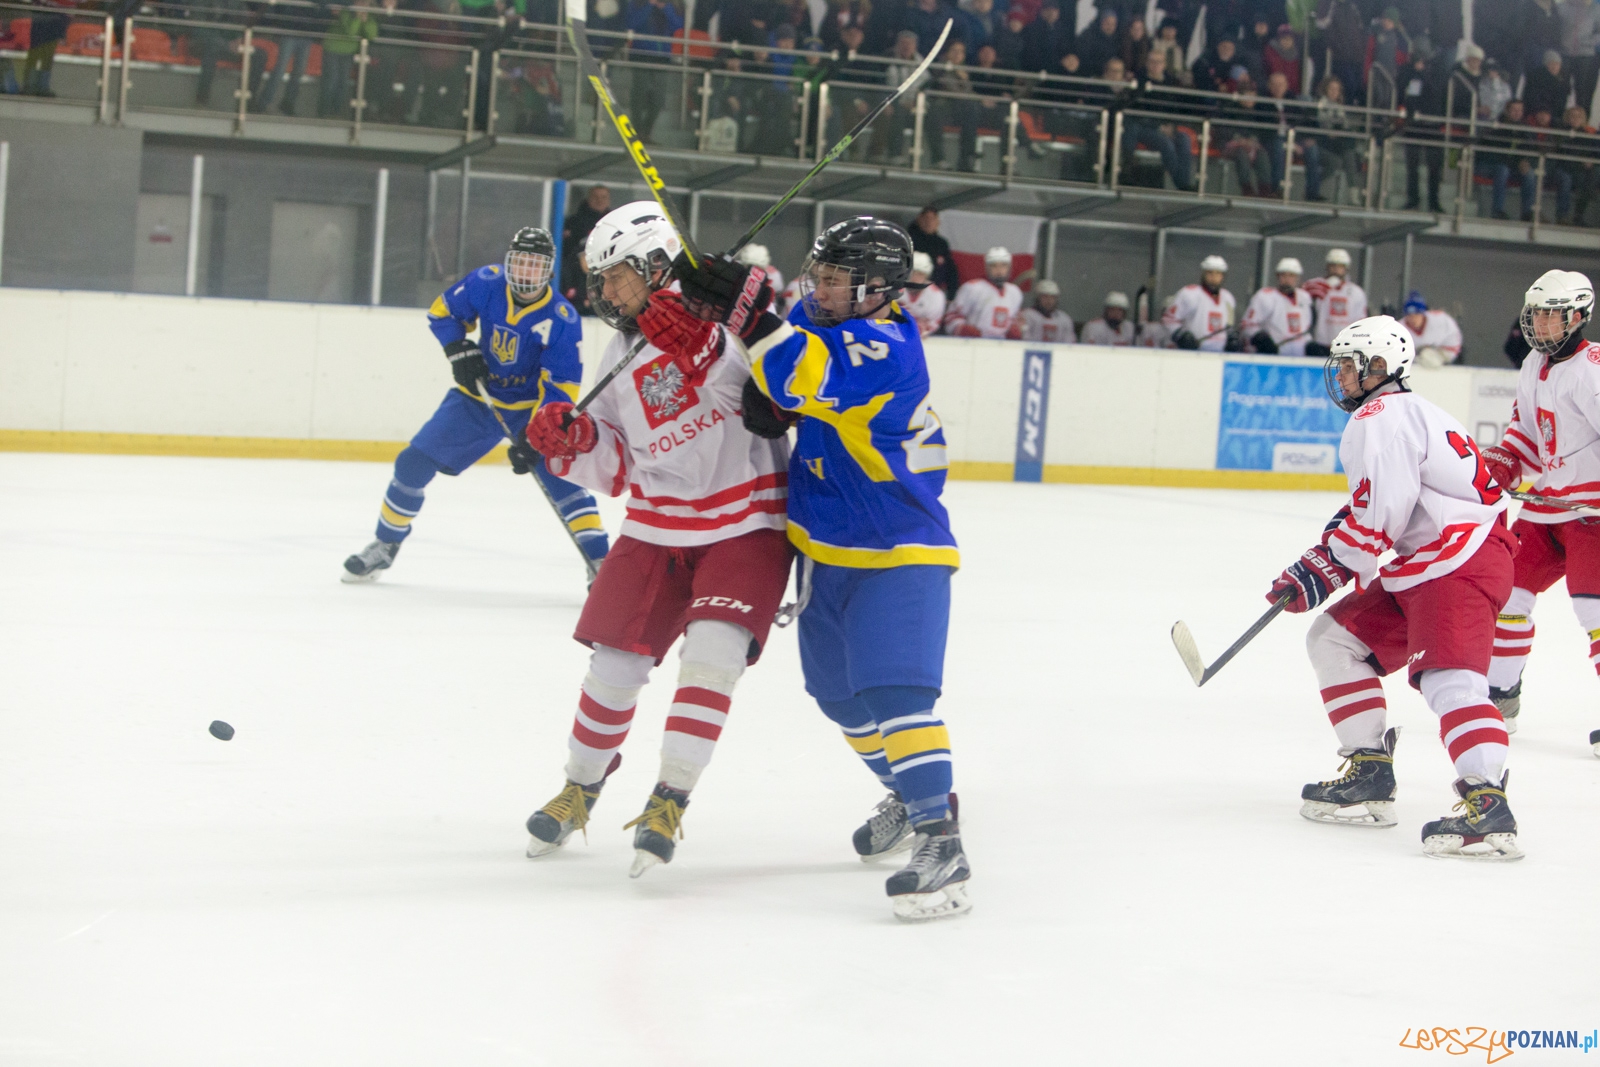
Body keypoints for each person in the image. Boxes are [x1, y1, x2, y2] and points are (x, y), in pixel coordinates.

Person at [676, 215, 971, 921]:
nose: (822, 285)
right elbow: (780, 367)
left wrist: (751, 314)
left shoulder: (890, 344)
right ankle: (911, 790)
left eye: (838, 277)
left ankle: (942, 837)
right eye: (822, 271)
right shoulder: (824, 317)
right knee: (838, 696)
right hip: (826, 549)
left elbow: (805, 372)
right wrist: (725, 309)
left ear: (878, 289)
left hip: (899, 547)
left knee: (896, 693)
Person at [519, 202, 792, 876]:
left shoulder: (726, 324)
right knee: (613, 665)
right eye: (602, 280)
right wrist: (575, 441)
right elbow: (618, 462)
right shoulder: (619, 349)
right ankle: (580, 785)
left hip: (745, 520)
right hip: (655, 523)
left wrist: (707, 346)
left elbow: (769, 403)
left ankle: (670, 796)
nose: (605, 293)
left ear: (654, 265)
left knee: (712, 657)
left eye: (616, 277)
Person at [1284, 315, 1519, 860]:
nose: (1340, 376)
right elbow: (1385, 500)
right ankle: (1369, 770)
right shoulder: (1413, 410)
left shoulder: (1379, 415)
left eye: (1349, 366)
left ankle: (1488, 805)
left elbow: (1382, 515)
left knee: (1451, 681)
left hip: (1457, 560)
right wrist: (1329, 553)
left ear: (1380, 369)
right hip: (1436, 558)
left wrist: (1331, 563)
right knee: (1335, 639)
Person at [342, 228, 610, 582]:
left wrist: (535, 434)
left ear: (548, 271)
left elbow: (560, 385)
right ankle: (385, 544)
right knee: (411, 464)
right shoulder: (486, 282)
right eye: (521, 262)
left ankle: (602, 566)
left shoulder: (562, 318)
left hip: (533, 411)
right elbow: (442, 312)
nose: (526, 272)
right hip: (478, 400)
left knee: (565, 483)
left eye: (535, 265)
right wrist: (458, 349)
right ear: (508, 262)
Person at [1480, 271, 1600, 753]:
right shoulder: (1533, 363)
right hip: (1548, 508)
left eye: (1553, 314)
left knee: (1592, 608)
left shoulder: (1593, 369)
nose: (1542, 323)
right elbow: (1526, 437)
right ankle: (1500, 696)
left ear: (1577, 316)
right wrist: (1494, 471)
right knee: (1508, 594)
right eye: (1538, 313)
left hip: (1592, 512)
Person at [625, 0, 684, 143]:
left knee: (659, 98)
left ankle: (646, 132)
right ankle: (636, 132)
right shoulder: (638, 3)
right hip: (642, 53)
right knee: (639, 93)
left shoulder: (674, 4)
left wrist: (665, 7)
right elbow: (632, 23)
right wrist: (649, 5)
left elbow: (677, 25)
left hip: (662, 56)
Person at [943, 247, 1025, 338]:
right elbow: (951, 317)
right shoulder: (972, 288)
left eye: (1003, 265)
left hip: (1002, 347)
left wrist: (1016, 329)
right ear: (987, 267)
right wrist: (962, 329)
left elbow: (1016, 321)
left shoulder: (1015, 292)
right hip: (973, 346)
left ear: (1009, 267)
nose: (999, 270)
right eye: (994, 265)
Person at [1243, 257, 1314, 355]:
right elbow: (1248, 325)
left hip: (1300, 359)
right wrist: (1261, 339)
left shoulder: (1305, 297)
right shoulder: (1264, 296)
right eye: (1283, 275)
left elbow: (1305, 329)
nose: (1287, 279)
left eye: (1291, 276)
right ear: (1277, 276)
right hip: (1274, 356)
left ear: (1298, 278)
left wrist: (1310, 345)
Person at [1166, 254, 1238, 351]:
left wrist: (1232, 339)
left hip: (1219, 356)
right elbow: (1169, 319)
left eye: (1218, 273)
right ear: (1203, 274)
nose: (1214, 277)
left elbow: (1229, 326)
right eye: (1210, 273)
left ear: (1223, 276)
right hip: (1193, 355)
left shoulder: (1228, 298)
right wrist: (1181, 336)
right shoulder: (1189, 293)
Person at [1304, 248, 1368, 354]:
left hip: (1346, 346)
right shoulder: (1317, 286)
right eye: (1333, 266)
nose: (1336, 270)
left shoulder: (1356, 292)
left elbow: (1360, 321)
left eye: (1340, 266)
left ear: (1346, 268)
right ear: (1327, 267)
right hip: (1321, 344)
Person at [561, 184, 611, 312]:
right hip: (575, 282)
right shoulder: (574, 222)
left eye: (603, 197)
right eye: (596, 197)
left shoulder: (613, 224)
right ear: (588, 198)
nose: (599, 200)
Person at [908, 206, 961, 298]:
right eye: (926, 218)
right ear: (919, 220)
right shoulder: (908, 240)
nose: (929, 222)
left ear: (938, 222)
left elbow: (950, 270)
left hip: (933, 293)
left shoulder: (942, 244)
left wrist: (951, 294)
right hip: (909, 290)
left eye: (932, 219)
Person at [1400, 290, 1462, 365]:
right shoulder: (1398, 328)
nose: (1413, 319)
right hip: (1410, 368)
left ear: (1423, 313)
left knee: (1428, 355)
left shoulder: (1441, 320)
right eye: (1409, 315)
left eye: (1417, 314)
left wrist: (1441, 356)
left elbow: (1454, 343)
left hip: (1441, 365)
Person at [903, 252, 949, 337]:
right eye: (912, 273)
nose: (915, 278)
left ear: (927, 276)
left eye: (920, 274)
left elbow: (930, 326)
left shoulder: (936, 295)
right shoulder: (893, 290)